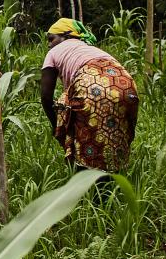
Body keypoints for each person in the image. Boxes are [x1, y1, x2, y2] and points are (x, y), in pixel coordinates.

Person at [39, 18, 139, 172]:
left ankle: (87, 184)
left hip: (92, 84)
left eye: (51, 39)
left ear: (66, 36)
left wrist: (57, 129)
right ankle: (115, 183)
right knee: (115, 137)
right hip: (125, 84)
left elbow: (46, 97)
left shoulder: (53, 53)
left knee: (80, 132)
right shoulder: (92, 49)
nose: (49, 44)